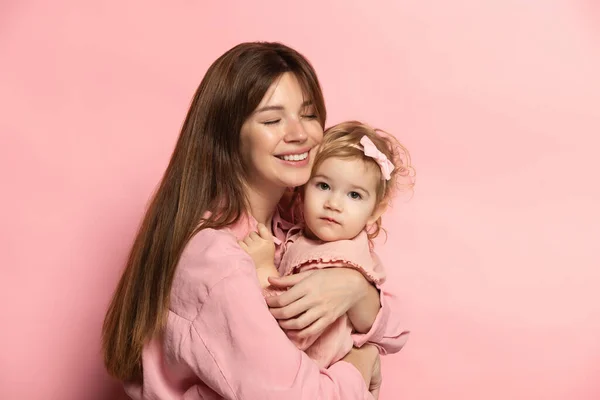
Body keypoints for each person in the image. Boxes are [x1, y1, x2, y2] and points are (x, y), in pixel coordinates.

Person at [102, 41, 407, 399]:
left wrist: (356, 291)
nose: (299, 134)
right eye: (273, 120)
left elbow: (396, 331)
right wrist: (359, 363)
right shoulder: (218, 260)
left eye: (308, 115)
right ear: (229, 137)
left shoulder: (295, 224)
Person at [240, 121, 413, 369]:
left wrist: (264, 269)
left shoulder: (334, 259)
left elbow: (293, 327)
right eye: (323, 185)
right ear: (302, 189)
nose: (333, 203)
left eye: (354, 195)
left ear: (376, 211)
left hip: (312, 379)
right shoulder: (329, 242)